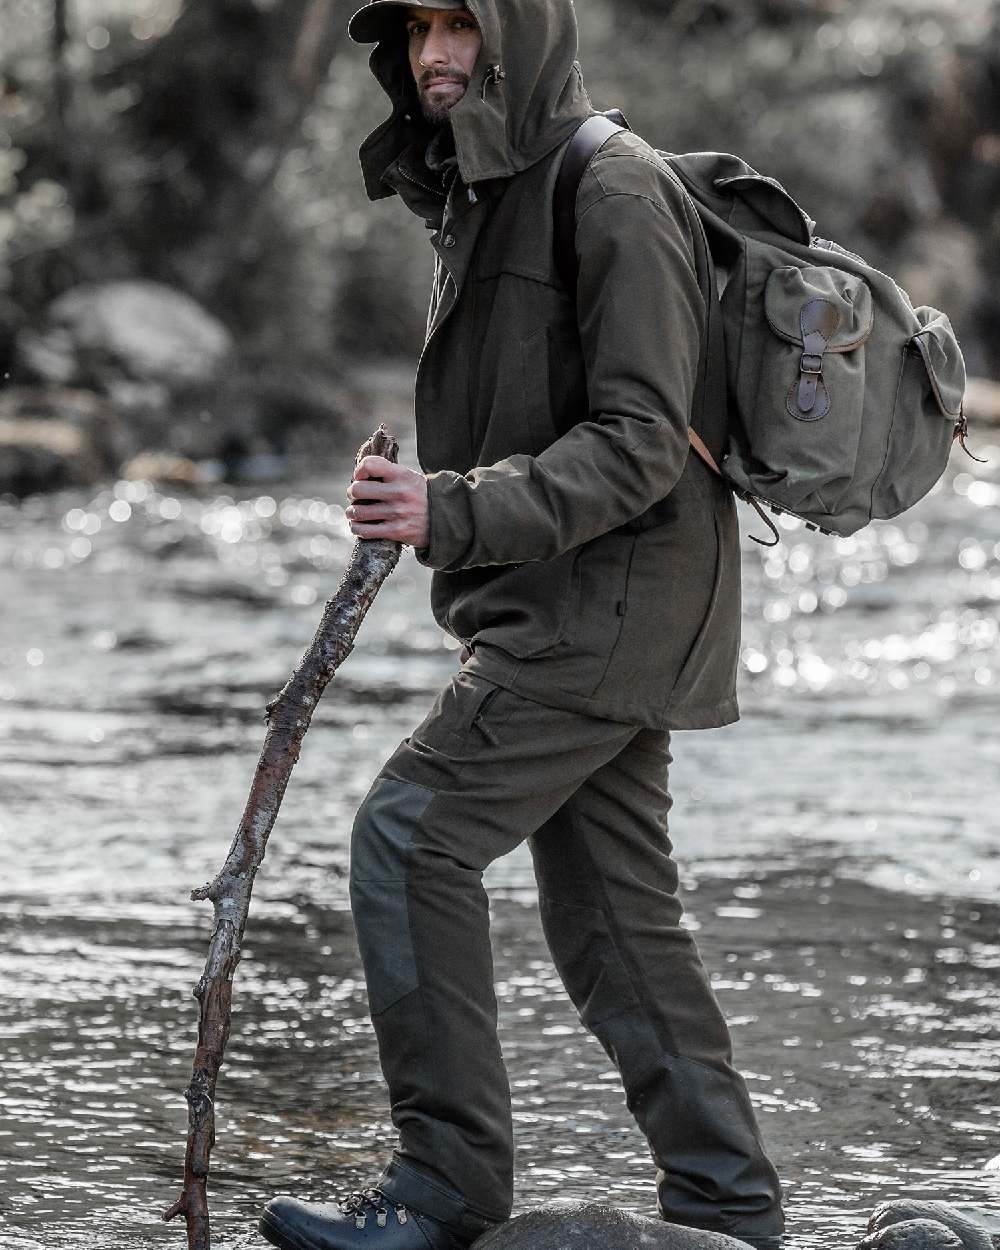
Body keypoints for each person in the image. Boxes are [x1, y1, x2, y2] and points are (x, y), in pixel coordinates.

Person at [259, 3, 785, 1249]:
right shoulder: (488, 184)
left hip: (612, 605)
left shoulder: (610, 187)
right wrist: (446, 512)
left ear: (521, 35)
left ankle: (441, 1190)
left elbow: (644, 442)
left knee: (408, 833)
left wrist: (443, 507)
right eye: (417, 31)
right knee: (610, 910)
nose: (433, 55)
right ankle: (728, 1206)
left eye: (461, 26)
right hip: (583, 602)